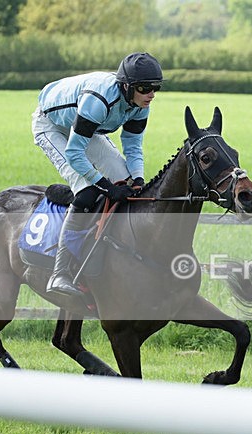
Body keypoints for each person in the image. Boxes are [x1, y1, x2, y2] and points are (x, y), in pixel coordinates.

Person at [32, 52, 163, 296]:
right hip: (51, 126)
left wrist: (138, 179)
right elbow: (74, 153)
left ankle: (110, 255)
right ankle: (59, 273)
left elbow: (133, 147)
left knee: (128, 185)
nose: (151, 94)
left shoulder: (141, 105)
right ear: (127, 86)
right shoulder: (100, 100)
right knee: (87, 191)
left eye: (155, 88)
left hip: (84, 127)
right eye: (145, 88)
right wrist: (105, 185)